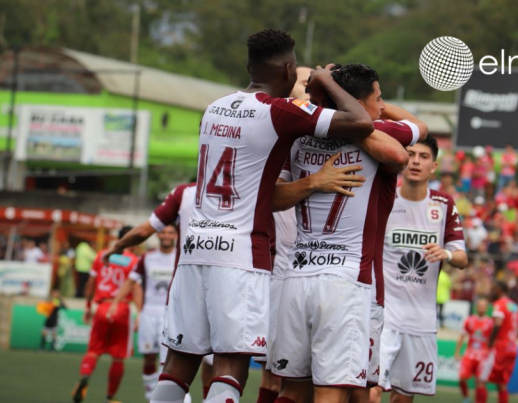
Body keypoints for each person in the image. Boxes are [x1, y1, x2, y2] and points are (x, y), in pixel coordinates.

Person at [154, 29, 374, 403]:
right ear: (289, 70)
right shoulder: (280, 112)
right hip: (239, 254)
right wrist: (323, 80)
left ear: (249, 67)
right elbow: (362, 121)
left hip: (195, 250)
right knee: (230, 366)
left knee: (177, 366)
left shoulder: (215, 107)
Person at [271, 63, 419, 403]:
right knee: (336, 389)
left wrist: (308, 181)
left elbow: (272, 199)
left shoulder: (295, 135)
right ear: (357, 102)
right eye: (378, 100)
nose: (382, 107)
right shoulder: (378, 133)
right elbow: (407, 145)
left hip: (297, 276)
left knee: (291, 388)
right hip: (346, 280)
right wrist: (351, 122)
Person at [376, 136, 468, 402]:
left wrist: (446, 253)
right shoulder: (384, 197)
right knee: (369, 392)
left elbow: (462, 258)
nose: (416, 161)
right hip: (383, 316)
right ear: (402, 160)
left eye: (424, 157)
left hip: (421, 321)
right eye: (411, 155)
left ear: (434, 167)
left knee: (403, 398)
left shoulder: (444, 204)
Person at [107, 225, 178, 402]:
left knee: (167, 361)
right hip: (149, 312)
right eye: (163, 232)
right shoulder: (147, 257)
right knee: (148, 358)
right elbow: (131, 281)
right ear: (158, 234)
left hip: (171, 315)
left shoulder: (181, 256)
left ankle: (166, 398)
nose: (167, 235)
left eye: (171, 232)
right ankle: (150, 397)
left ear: (176, 235)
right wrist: (115, 302)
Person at [72, 226, 138, 403]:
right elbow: (136, 287)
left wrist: (88, 305)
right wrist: (139, 313)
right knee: (118, 357)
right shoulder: (133, 261)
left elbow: (90, 282)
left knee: (93, 351)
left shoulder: (102, 255)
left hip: (102, 308)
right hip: (122, 309)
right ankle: (110, 397)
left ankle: (84, 377)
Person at [480, 281, 518, 403]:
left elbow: (498, 323)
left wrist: (490, 342)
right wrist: (513, 338)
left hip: (499, 348)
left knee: (480, 380)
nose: (492, 291)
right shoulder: (513, 306)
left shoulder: (500, 304)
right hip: (512, 348)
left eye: (494, 288)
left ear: (499, 290)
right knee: (501, 384)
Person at [455, 298, 493, 403]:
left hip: (483, 356)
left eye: (483, 306)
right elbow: (462, 336)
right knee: (461, 378)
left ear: (486, 308)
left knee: (480, 382)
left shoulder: (490, 323)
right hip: (470, 354)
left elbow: (492, 341)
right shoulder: (469, 320)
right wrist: (457, 352)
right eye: (479, 305)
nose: (481, 308)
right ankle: (466, 398)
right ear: (476, 307)